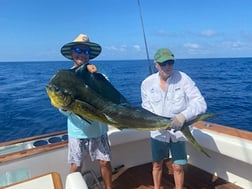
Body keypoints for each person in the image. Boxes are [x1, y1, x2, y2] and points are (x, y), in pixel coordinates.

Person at [141, 48, 207, 189]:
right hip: (157, 132)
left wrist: (183, 116)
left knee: (178, 166)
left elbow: (200, 103)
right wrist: (157, 123)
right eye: (163, 63)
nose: (167, 67)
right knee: (157, 164)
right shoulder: (147, 83)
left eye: (170, 62)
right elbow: (146, 110)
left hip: (179, 132)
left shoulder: (183, 79)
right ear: (156, 64)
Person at [60, 34, 112, 189]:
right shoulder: (65, 77)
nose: (81, 54)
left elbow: (109, 98)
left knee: (105, 162)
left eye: (85, 51)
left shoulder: (100, 75)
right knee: (76, 166)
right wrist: (64, 108)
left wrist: (94, 76)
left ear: (89, 55)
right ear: (72, 54)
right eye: (78, 49)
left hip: (99, 128)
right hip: (77, 131)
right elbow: (62, 105)